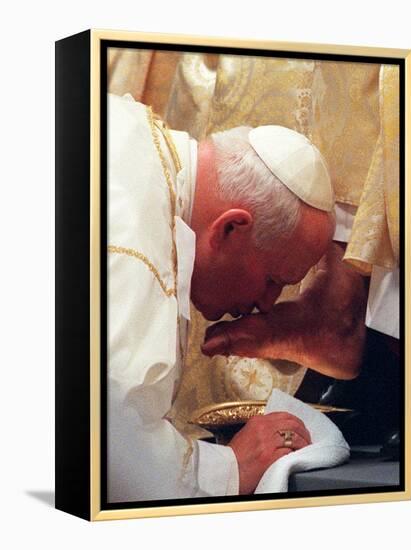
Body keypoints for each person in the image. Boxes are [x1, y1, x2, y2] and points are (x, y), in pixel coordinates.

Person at [107, 93, 358, 502]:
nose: (266, 303)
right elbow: (109, 442)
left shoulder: (128, 137)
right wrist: (225, 470)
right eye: (273, 279)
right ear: (230, 229)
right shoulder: (135, 246)